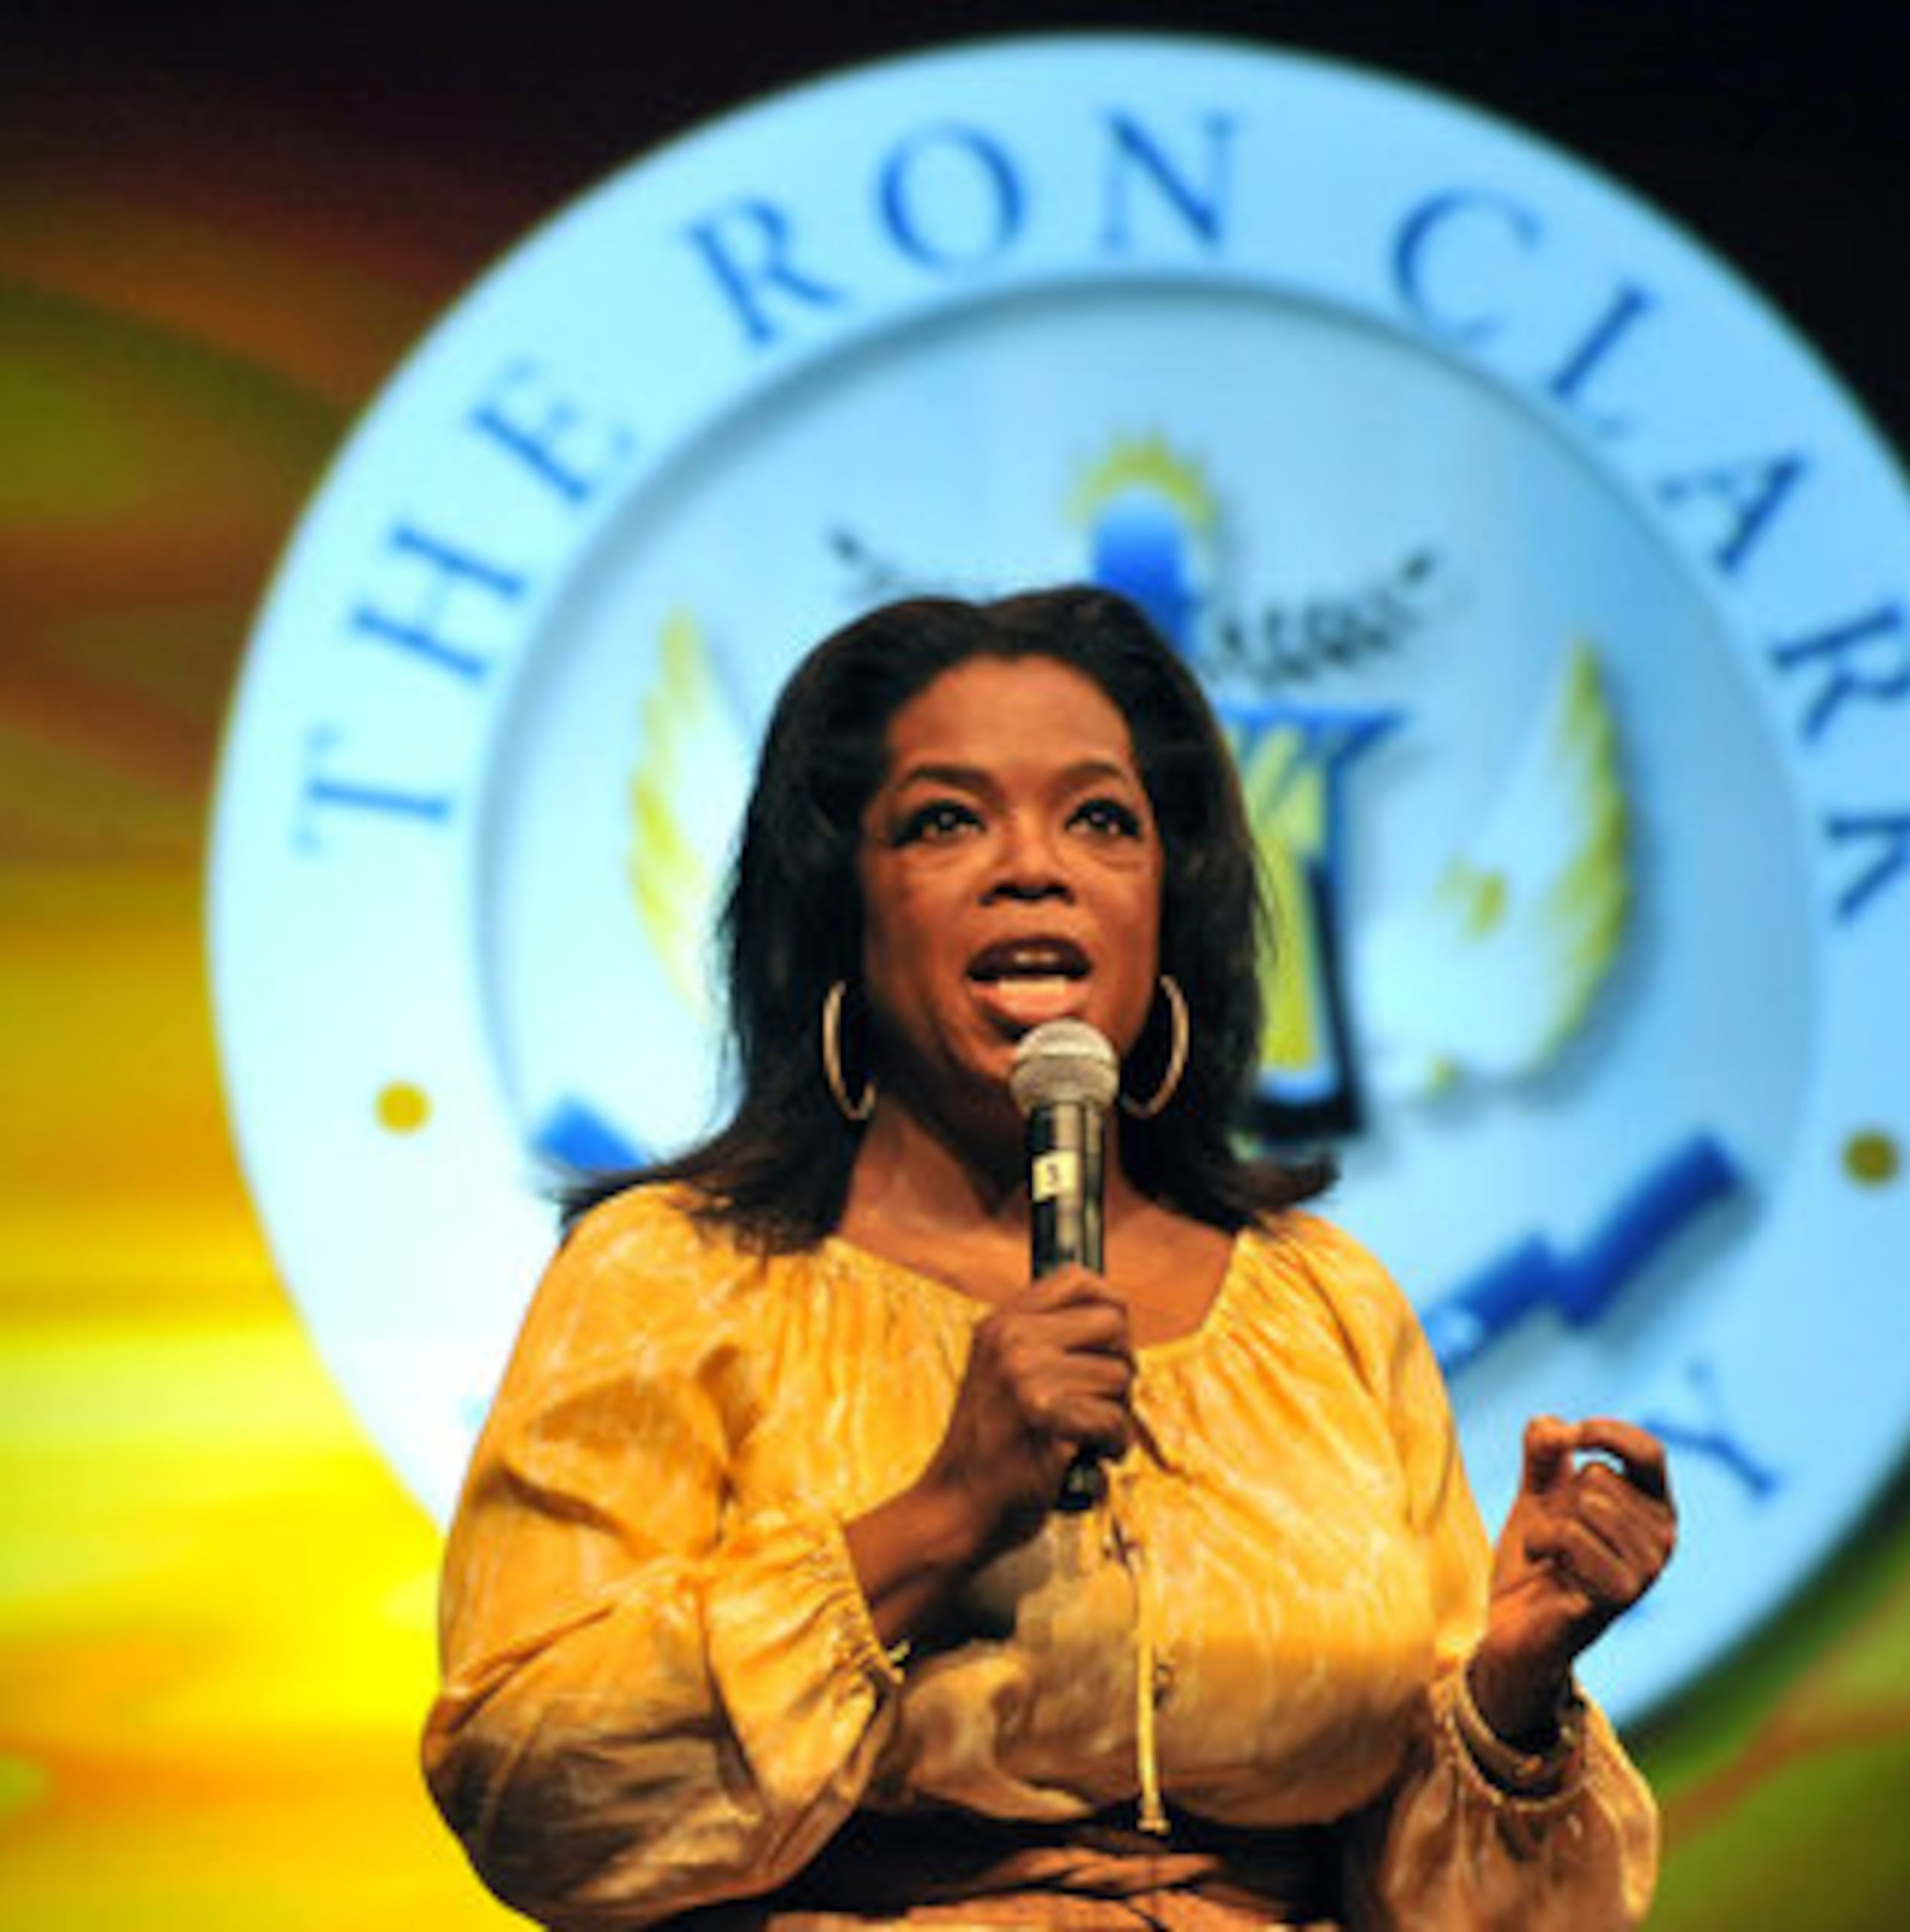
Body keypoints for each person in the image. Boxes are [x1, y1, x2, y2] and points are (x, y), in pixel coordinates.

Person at [422, 587, 1678, 1929]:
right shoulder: (673, 1277)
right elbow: (532, 1786)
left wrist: (1515, 1688)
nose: (1036, 866)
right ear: (845, 906)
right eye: (946, 820)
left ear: (1165, 907)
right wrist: (941, 1513)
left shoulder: (1326, 1302)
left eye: (1101, 819)